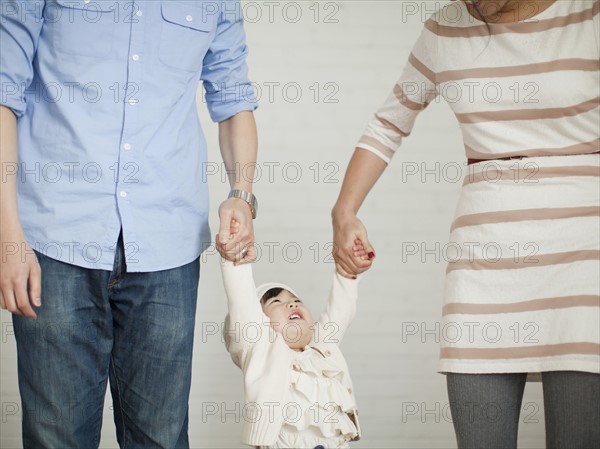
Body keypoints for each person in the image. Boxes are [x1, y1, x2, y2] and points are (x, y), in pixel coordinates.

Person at [332, 0, 599, 448]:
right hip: (483, 265)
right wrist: (344, 212)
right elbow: (386, 125)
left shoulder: (587, 13)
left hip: (583, 261)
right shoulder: (445, 28)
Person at [0, 1, 258, 447]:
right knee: (55, 437)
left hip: (167, 248)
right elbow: (4, 92)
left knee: (161, 438)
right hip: (54, 239)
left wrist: (242, 194)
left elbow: (233, 98)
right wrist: (8, 235)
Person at [220, 222, 364, 448]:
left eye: (296, 301)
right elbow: (242, 302)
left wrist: (348, 272)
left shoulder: (322, 348)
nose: (291, 305)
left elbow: (341, 309)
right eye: (277, 302)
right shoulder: (262, 350)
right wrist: (236, 258)